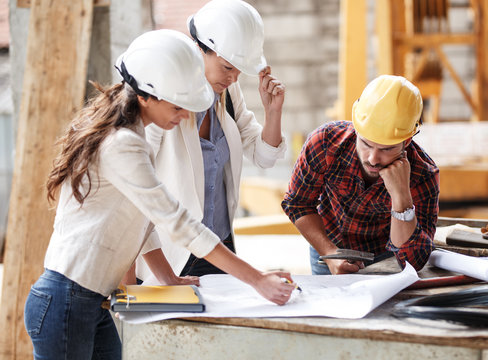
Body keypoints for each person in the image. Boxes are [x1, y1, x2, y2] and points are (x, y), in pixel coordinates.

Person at [24, 29, 295, 360]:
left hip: (87, 299)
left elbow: (146, 218)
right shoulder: (123, 145)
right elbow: (174, 220)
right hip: (66, 300)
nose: (184, 116)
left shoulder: (135, 137)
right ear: (145, 96)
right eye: (179, 106)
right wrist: (257, 280)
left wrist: (168, 278)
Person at [134, 0, 287, 279]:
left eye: (239, 70)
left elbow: (264, 157)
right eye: (228, 67)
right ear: (200, 49)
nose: (233, 77)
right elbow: (137, 196)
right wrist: (156, 279)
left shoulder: (228, 93)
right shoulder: (163, 101)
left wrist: (272, 112)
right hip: (173, 258)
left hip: (220, 248)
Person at [281, 75, 439, 275]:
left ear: (406, 141)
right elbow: (297, 203)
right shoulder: (325, 143)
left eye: (386, 148)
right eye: (366, 144)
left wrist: (401, 197)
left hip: (386, 258)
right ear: (357, 128)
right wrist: (330, 252)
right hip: (328, 247)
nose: (373, 158)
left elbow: (412, 261)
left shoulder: (423, 173)